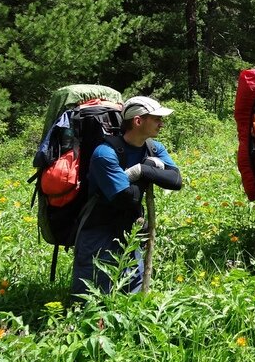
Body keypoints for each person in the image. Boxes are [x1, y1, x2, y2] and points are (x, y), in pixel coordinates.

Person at [71, 96, 182, 296]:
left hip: (130, 232)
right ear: (138, 121)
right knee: (92, 299)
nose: (161, 123)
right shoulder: (105, 153)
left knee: (130, 296)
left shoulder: (154, 148)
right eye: (156, 118)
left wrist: (142, 170)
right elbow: (126, 198)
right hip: (99, 233)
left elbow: (175, 180)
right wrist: (150, 169)